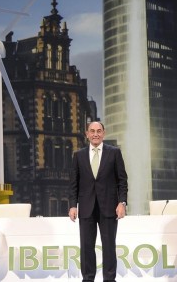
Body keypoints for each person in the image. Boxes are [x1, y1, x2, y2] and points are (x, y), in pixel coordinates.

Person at [69, 121, 128, 282]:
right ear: (87, 134)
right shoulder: (78, 155)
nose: (95, 134)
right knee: (87, 247)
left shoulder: (114, 153)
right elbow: (74, 183)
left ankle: (109, 279)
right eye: (92, 131)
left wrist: (122, 202)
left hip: (109, 207)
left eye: (99, 131)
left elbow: (122, 180)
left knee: (109, 246)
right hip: (86, 208)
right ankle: (88, 279)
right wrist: (73, 205)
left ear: (104, 133)